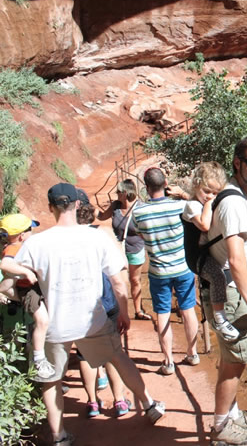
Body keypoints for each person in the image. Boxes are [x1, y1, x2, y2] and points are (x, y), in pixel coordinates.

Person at [0, 183, 165, 445]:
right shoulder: (98, 237)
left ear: (50, 208)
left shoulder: (37, 243)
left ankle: (59, 436)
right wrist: (123, 313)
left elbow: (7, 274)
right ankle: (148, 404)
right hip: (94, 320)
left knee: (52, 380)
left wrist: (25, 277)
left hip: (54, 325)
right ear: (78, 205)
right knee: (119, 358)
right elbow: (118, 282)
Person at [203, 137, 247, 445]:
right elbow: (235, 256)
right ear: (237, 163)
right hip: (231, 295)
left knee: (234, 359)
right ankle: (221, 427)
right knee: (234, 363)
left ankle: (231, 415)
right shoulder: (233, 203)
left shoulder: (235, 197)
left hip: (226, 291)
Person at [132, 167, 199, 374]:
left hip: (158, 270)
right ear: (166, 182)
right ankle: (192, 353)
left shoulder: (138, 212)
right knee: (188, 310)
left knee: (162, 313)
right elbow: (199, 208)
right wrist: (183, 194)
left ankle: (168, 361)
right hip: (183, 266)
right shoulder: (180, 206)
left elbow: (141, 235)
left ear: (146, 186)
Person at [76, 192, 131, 418]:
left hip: (78, 305)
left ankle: (92, 403)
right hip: (105, 301)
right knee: (112, 351)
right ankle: (119, 400)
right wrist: (124, 310)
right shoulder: (104, 234)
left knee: (83, 354)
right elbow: (120, 272)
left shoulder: (62, 239)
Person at [183, 161, 239, 340]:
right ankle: (220, 318)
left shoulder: (203, 202)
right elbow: (205, 225)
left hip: (208, 252)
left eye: (215, 193)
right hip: (196, 256)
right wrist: (209, 204)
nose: (210, 196)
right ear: (196, 186)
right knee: (217, 276)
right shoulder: (192, 206)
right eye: (206, 191)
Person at [0, 213, 56, 379]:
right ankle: (39, 361)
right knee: (42, 321)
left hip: (34, 289)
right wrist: (24, 271)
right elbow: (5, 264)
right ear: (21, 235)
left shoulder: (20, 246)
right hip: (29, 291)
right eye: (30, 229)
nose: (32, 232)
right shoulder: (13, 248)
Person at [97, 179, 151, 321]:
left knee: (134, 280)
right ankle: (119, 311)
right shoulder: (115, 206)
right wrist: (89, 209)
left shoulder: (140, 207)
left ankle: (138, 310)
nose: (116, 195)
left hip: (135, 249)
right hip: (118, 250)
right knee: (118, 280)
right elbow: (102, 217)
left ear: (125, 193)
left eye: (118, 192)